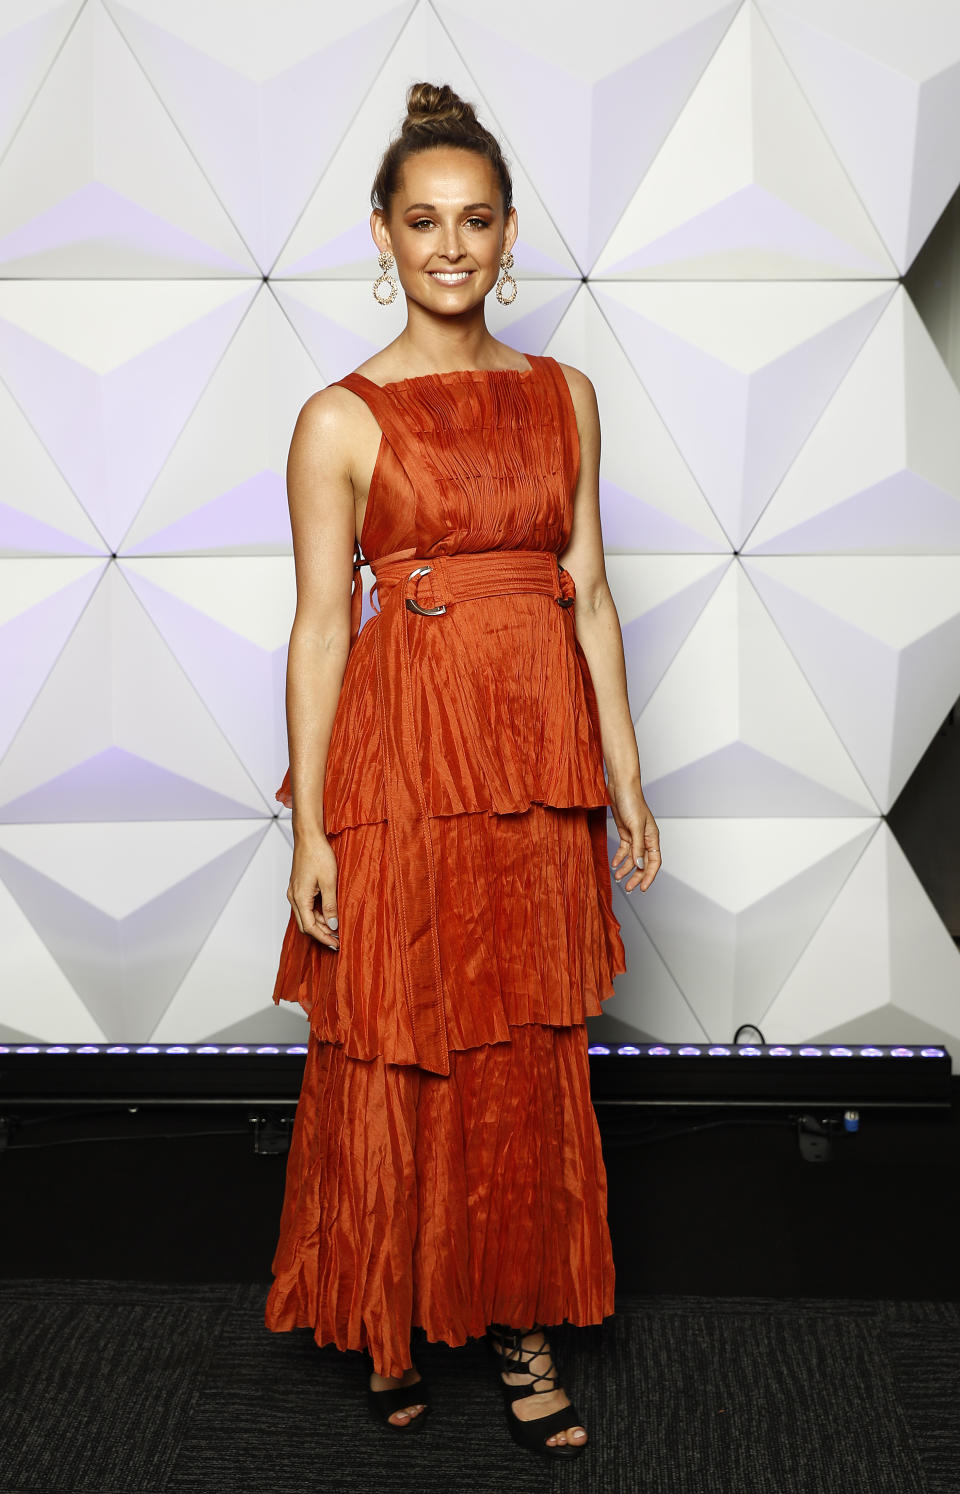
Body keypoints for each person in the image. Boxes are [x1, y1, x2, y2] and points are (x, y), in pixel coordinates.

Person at [263, 80, 662, 1460]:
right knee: (399, 1034)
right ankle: (391, 1309)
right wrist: (312, 827)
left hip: (534, 763)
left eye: (475, 219)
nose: (450, 245)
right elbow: (321, 630)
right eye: (422, 220)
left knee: (523, 1047)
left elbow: (592, 594)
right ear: (383, 233)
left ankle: (517, 1317)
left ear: (506, 235)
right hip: (402, 759)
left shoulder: (567, 398)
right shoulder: (339, 417)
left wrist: (627, 774)